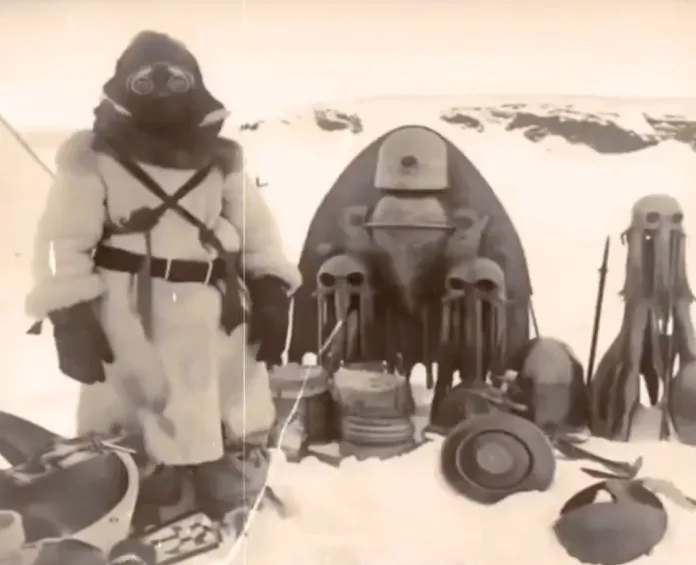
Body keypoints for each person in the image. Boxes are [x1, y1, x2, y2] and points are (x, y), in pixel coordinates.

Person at [24, 30, 301, 519]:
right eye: (144, 81)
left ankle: (229, 496)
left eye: (174, 80)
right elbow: (62, 241)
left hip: (215, 310)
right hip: (130, 314)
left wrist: (270, 287)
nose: (161, 92)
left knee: (227, 407)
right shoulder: (91, 156)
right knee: (137, 415)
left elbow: (256, 229)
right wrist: (70, 316)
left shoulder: (221, 155)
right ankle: (144, 503)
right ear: (123, 87)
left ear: (195, 83)